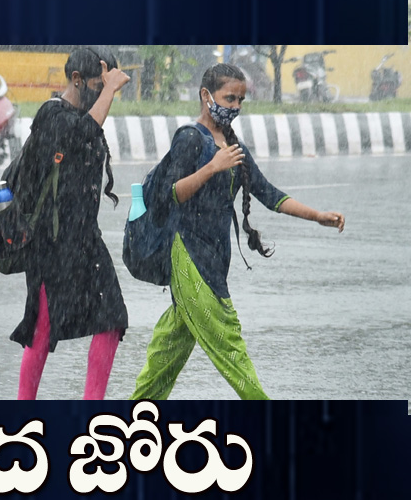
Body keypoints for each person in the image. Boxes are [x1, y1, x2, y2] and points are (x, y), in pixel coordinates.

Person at [130, 63, 346, 400]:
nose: (235, 106)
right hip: (188, 253)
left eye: (241, 100)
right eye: (229, 98)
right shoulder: (189, 139)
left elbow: (268, 193)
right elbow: (169, 194)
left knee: (168, 352)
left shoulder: (233, 145)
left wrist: (317, 216)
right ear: (206, 96)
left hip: (216, 257)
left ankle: (137, 414)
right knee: (230, 345)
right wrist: (212, 167)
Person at [10, 47, 132, 399]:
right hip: (50, 242)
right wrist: (108, 91)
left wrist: (105, 90)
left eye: (106, 86)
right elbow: (80, 134)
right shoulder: (52, 114)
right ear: (77, 80)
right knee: (43, 329)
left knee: (112, 318)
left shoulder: (84, 115)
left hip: (84, 238)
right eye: (97, 84)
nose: (103, 91)